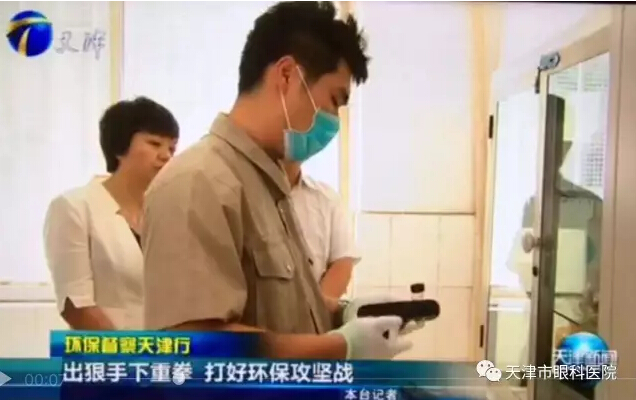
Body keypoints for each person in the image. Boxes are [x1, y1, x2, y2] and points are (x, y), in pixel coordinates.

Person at [142, 2, 420, 360]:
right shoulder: (199, 182)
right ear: (287, 75)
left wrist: (346, 314)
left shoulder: (267, 184)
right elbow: (196, 344)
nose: (334, 121)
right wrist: (341, 346)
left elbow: (279, 307)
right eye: (334, 100)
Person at [43, 97, 179, 330]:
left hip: (168, 347)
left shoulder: (169, 211)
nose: (166, 155)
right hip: (109, 349)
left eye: (172, 148)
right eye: (155, 144)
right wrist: (129, 350)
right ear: (119, 147)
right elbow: (77, 307)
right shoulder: (73, 207)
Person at [283, 161, 359, 299]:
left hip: (317, 308)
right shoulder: (245, 193)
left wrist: (315, 307)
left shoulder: (326, 198)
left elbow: (342, 262)